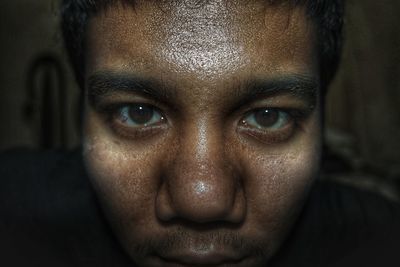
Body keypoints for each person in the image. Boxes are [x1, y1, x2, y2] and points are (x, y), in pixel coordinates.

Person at [1, 0, 399, 266]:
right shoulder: (14, 223)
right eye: (137, 113)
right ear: (82, 118)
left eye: (268, 117)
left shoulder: (379, 242)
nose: (201, 200)